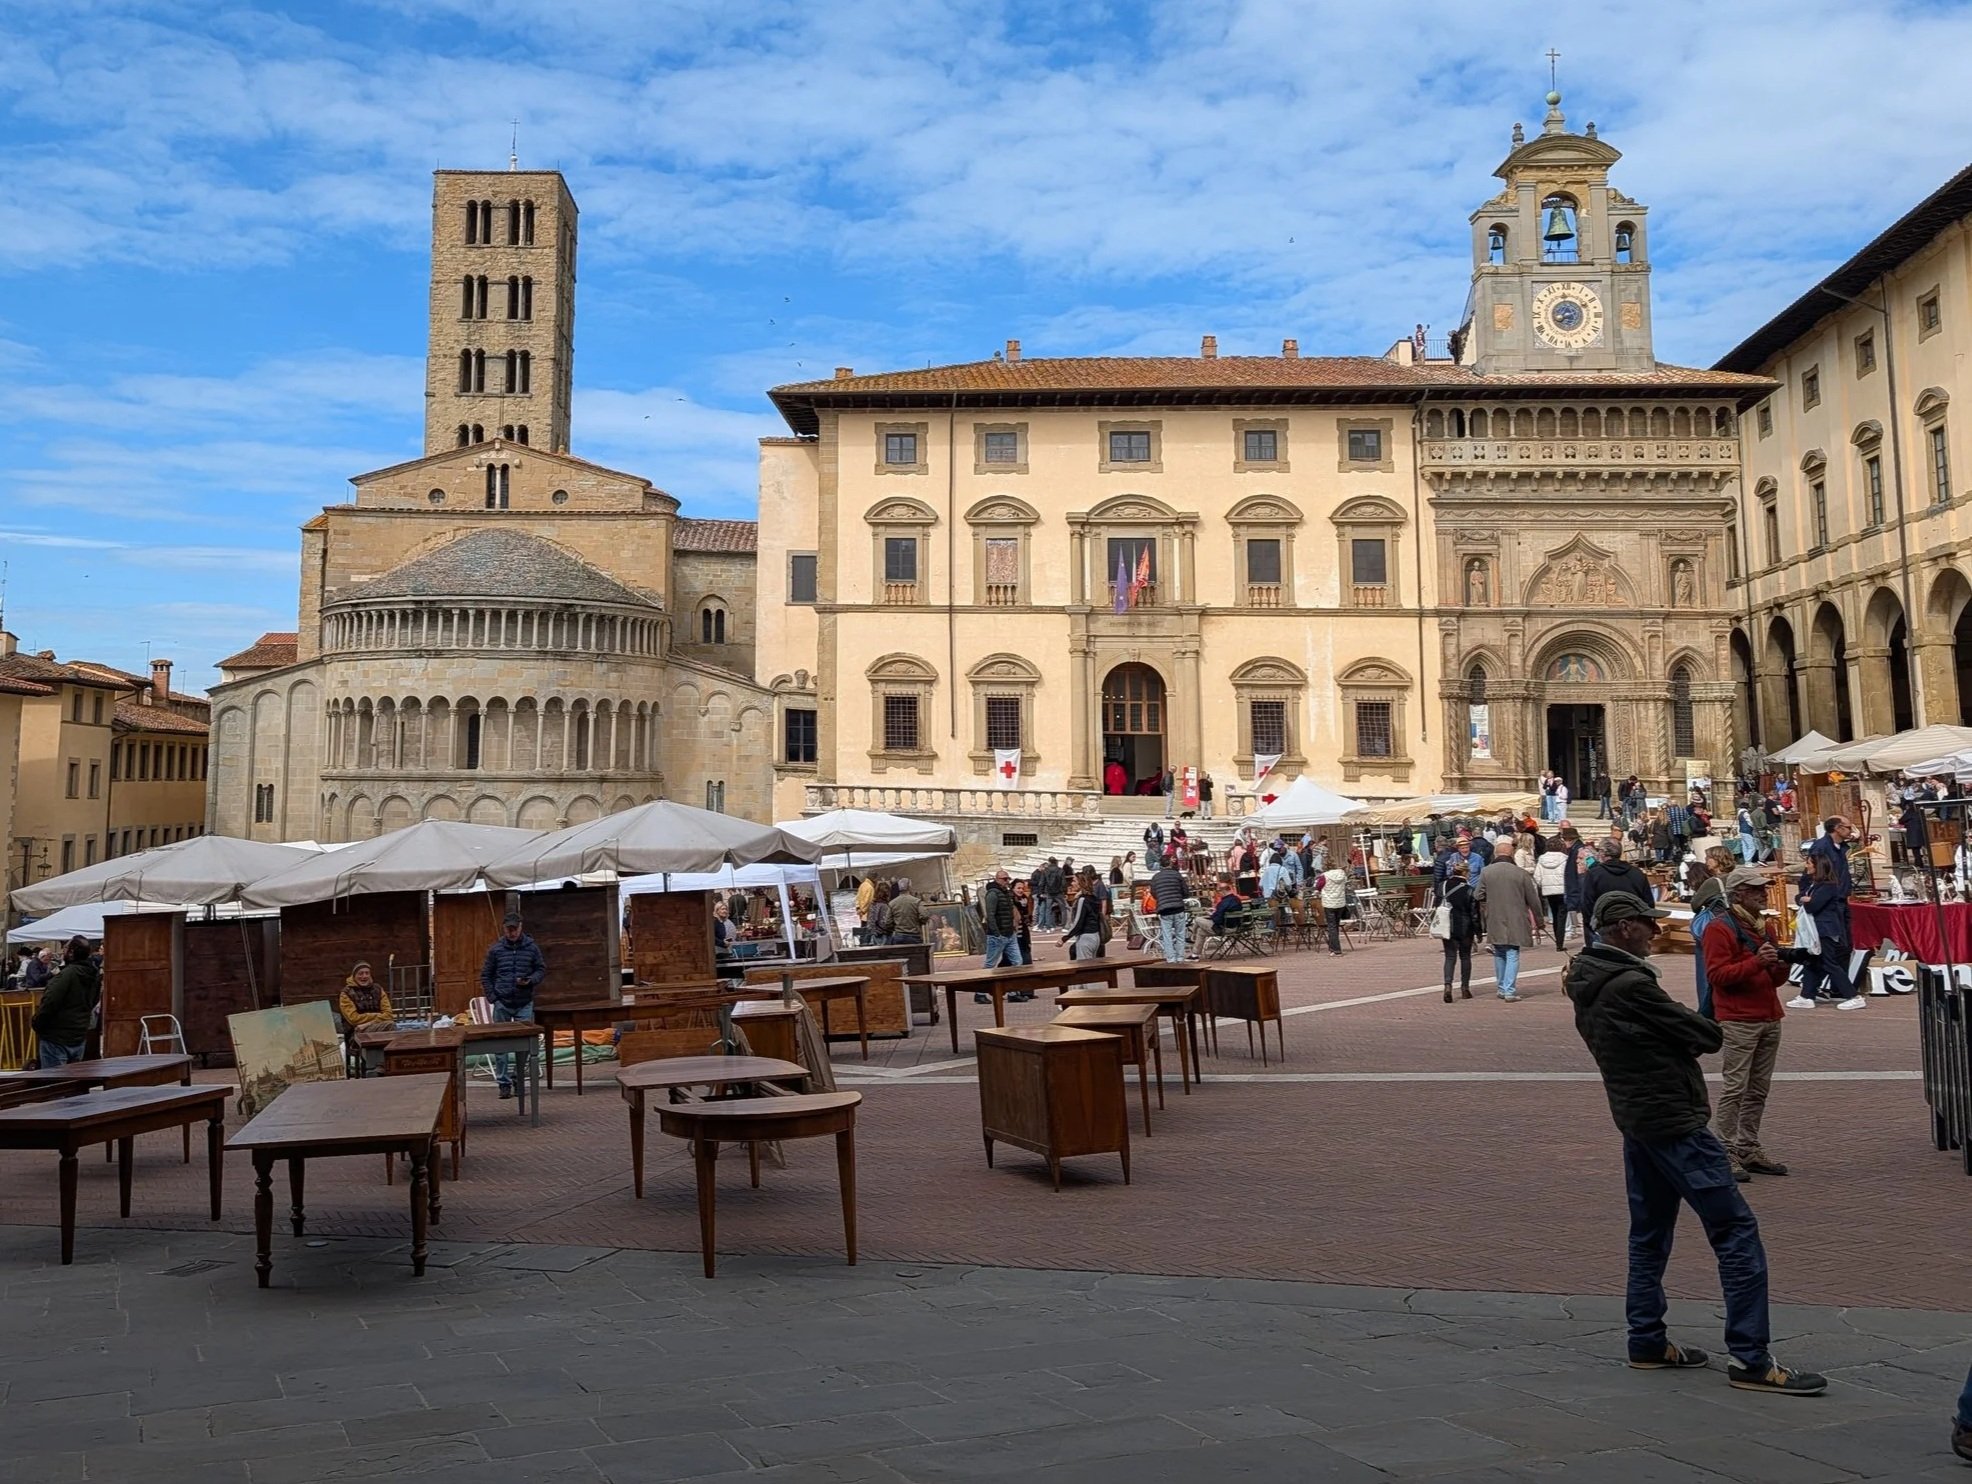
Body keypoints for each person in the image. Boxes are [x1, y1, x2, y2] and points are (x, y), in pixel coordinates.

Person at [1566, 891, 1826, 1396]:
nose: (1654, 930)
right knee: (1736, 1232)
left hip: (1637, 1118)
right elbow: (1705, 1034)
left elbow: (1674, 1034)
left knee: (1648, 1233)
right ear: (1622, 929)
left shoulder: (1587, 980)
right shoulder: (1631, 985)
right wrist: (1689, 1027)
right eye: (1646, 924)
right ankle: (1750, 1358)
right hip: (1673, 1120)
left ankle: (1646, 1338)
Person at [1704, 866, 1798, 1183]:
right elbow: (1717, 976)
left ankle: (1748, 1146)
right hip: (1738, 1018)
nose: (1763, 892)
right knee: (1735, 1087)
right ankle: (1725, 1148)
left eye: (1763, 888)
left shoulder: (1765, 927)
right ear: (1739, 893)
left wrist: (1781, 965)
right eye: (1756, 888)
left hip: (1768, 1015)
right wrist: (1756, 962)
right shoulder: (1720, 928)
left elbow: (1772, 979)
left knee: (1758, 1089)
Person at [480, 912, 547, 1099]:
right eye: (508, 930)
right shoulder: (496, 950)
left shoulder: (531, 948)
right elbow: (486, 975)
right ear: (504, 929)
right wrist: (493, 997)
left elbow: (541, 969)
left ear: (520, 927)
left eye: (514, 929)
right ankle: (503, 1083)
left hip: (524, 1001)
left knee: (524, 1044)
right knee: (500, 1044)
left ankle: (518, 1078)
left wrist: (531, 980)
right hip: (502, 1001)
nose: (512, 933)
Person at [1794, 844, 1862, 1010]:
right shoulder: (1815, 884)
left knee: (1829, 963)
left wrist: (1806, 900)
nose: (1806, 866)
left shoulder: (1828, 885)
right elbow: (1799, 898)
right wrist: (1804, 899)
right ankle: (1806, 995)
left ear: (1817, 866)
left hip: (1825, 930)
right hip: (1817, 930)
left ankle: (1852, 995)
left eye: (1809, 863)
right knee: (1813, 961)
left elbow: (1813, 906)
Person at [1477, 839, 1542, 1001]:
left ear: (1495, 854)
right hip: (1517, 917)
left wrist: (1489, 903)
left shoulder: (1486, 872)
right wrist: (1539, 921)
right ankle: (1509, 990)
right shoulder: (1521, 873)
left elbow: (1477, 894)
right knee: (1512, 952)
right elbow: (1533, 899)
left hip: (1495, 917)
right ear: (1511, 854)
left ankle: (1501, 987)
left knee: (1499, 952)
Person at [31, 936, 100, 1067]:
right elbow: (93, 1001)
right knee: (71, 1082)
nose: (63, 951)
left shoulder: (67, 975)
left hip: (56, 1037)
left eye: (66, 947)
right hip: (78, 1035)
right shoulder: (93, 975)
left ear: (71, 952)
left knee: (54, 1083)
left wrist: (37, 1023)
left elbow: (49, 1003)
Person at [1583, 837, 1655, 944]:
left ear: (1602, 853)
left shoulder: (1594, 874)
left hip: (1605, 928)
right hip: (1632, 926)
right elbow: (1648, 903)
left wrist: (1592, 925)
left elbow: (1586, 904)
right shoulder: (1637, 873)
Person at [979, 870, 1023, 996]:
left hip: (1009, 933)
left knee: (1017, 962)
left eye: (1008, 879)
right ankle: (980, 993)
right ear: (997, 879)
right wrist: (996, 933)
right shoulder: (993, 894)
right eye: (1004, 879)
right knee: (990, 964)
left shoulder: (1006, 893)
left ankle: (1013, 992)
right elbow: (990, 915)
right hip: (998, 935)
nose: (1007, 881)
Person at [1439, 866, 1479, 1002]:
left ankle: (1448, 985)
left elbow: (1437, 903)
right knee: (1465, 957)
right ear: (1465, 873)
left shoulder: (1442, 886)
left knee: (1450, 956)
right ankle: (1465, 988)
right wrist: (1478, 931)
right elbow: (1474, 913)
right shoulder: (1469, 890)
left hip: (1446, 925)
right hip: (1464, 926)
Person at [1148, 856, 1190, 963]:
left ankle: (1171, 958)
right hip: (1178, 907)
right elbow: (1186, 892)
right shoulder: (1177, 875)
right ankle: (1180, 957)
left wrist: (1162, 899)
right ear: (1170, 864)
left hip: (1164, 909)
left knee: (1167, 936)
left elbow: (1153, 893)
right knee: (1180, 934)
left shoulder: (1156, 877)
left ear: (1161, 865)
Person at [1533, 836, 1571, 948]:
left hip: (1549, 891)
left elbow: (1537, 876)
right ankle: (1560, 942)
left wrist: (1543, 885)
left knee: (1555, 916)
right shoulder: (1565, 858)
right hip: (1563, 890)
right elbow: (1568, 875)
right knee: (1562, 916)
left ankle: (1558, 941)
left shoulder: (1541, 859)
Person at [337, 961, 395, 1031]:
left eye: (367, 973)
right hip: (355, 1031)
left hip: (373, 1026)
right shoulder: (346, 993)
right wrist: (379, 1016)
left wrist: (368, 1024)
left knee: (390, 1024)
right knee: (389, 1025)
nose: (364, 976)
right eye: (360, 974)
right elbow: (354, 1019)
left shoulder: (378, 989)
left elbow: (389, 1014)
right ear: (354, 976)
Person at [1062, 870, 1105, 963]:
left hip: (1086, 937)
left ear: (1080, 883)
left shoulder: (1082, 899)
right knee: (1091, 966)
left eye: (1074, 881)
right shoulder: (1094, 898)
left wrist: (1065, 938)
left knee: (1084, 968)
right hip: (1095, 935)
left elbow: (1078, 921)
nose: (1072, 883)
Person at [1319, 863, 1350, 955]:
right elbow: (1345, 882)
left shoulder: (1324, 876)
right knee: (1335, 925)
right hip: (1340, 903)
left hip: (1329, 903)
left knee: (1332, 927)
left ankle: (1336, 950)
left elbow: (1318, 886)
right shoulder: (1342, 874)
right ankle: (1332, 948)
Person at [889, 880, 924, 945]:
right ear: (909, 887)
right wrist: (918, 923)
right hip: (914, 935)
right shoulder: (917, 901)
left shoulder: (892, 903)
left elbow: (888, 922)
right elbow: (924, 916)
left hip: (898, 935)